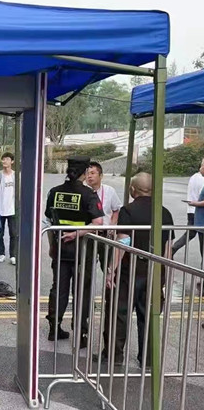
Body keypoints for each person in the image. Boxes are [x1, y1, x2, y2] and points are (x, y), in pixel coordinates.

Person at [96, 173, 174, 368]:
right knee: (148, 314)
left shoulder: (128, 211)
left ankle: (114, 355)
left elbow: (124, 241)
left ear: (132, 190)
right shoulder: (164, 212)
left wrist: (111, 269)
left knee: (118, 312)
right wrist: (165, 274)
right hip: (155, 270)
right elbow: (168, 248)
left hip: (129, 269)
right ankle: (147, 359)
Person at [45, 156, 104, 344]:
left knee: (59, 289)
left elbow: (48, 221)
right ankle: (81, 333)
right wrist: (78, 233)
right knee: (82, 291)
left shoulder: (55, 192)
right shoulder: (89, 194)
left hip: (60, 249)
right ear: (85, 173)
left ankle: (54, 328)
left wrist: (52, 246)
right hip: (83, 251)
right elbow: (98, 223)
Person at [85, 161, 122, 271]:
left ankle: (109, 285)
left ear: (101, 175)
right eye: (87, 173)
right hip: (88, 235)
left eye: (92, 173)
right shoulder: (83, 192)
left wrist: (112, 225)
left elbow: (116, 209)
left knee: (108, 267)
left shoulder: (109, 191)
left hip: (105, 235)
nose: (89, 176)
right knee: (87, 269)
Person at [172, 158, 204, 261]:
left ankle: (173, 248)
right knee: (195, 234)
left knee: (191, 233)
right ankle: (173, 248)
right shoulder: (202, 180)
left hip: (191, 210)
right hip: (198, 211)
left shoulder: (194, 177)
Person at [0, 152, 17, 264]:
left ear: (12, 161)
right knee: (0, 234)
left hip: (12, 210)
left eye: (6, 159)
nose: (4, 161)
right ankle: (1, 254)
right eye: (3, 159)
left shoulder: (16, 176)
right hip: (0, 210)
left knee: (13, 234)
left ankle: (13, 255)